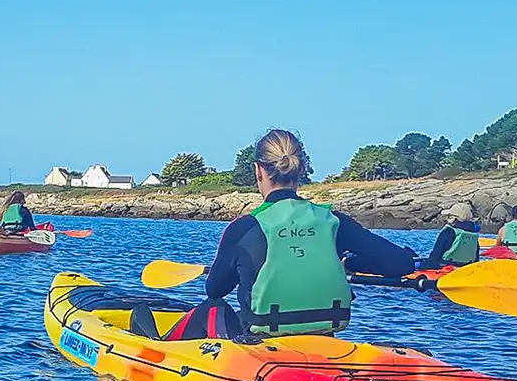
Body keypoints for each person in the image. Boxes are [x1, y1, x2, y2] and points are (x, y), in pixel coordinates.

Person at [168, 129, 414, 341]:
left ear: (258, 170)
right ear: (301, 169)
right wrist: (349, 263)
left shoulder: (244, 228)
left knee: (212, 308)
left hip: (261, 343)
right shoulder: (334, 222)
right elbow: (401, 264)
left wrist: (236, 270)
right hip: (323, 340)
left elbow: (215, 290)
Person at [424, 200, 483, 270]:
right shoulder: (473, 236)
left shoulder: (448, 232)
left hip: (445, 268)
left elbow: (435, 256)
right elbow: (476, 260)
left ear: (453, 218)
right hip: (466, 269)